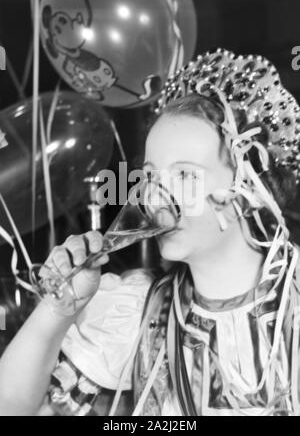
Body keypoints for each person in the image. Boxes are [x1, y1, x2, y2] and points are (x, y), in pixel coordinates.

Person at [0, 48, 300, 416]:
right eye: (153, 176)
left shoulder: (294, 309)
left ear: (250, 188)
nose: (157, 197)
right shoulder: (138, 311)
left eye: (186, 175)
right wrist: (58, 310)